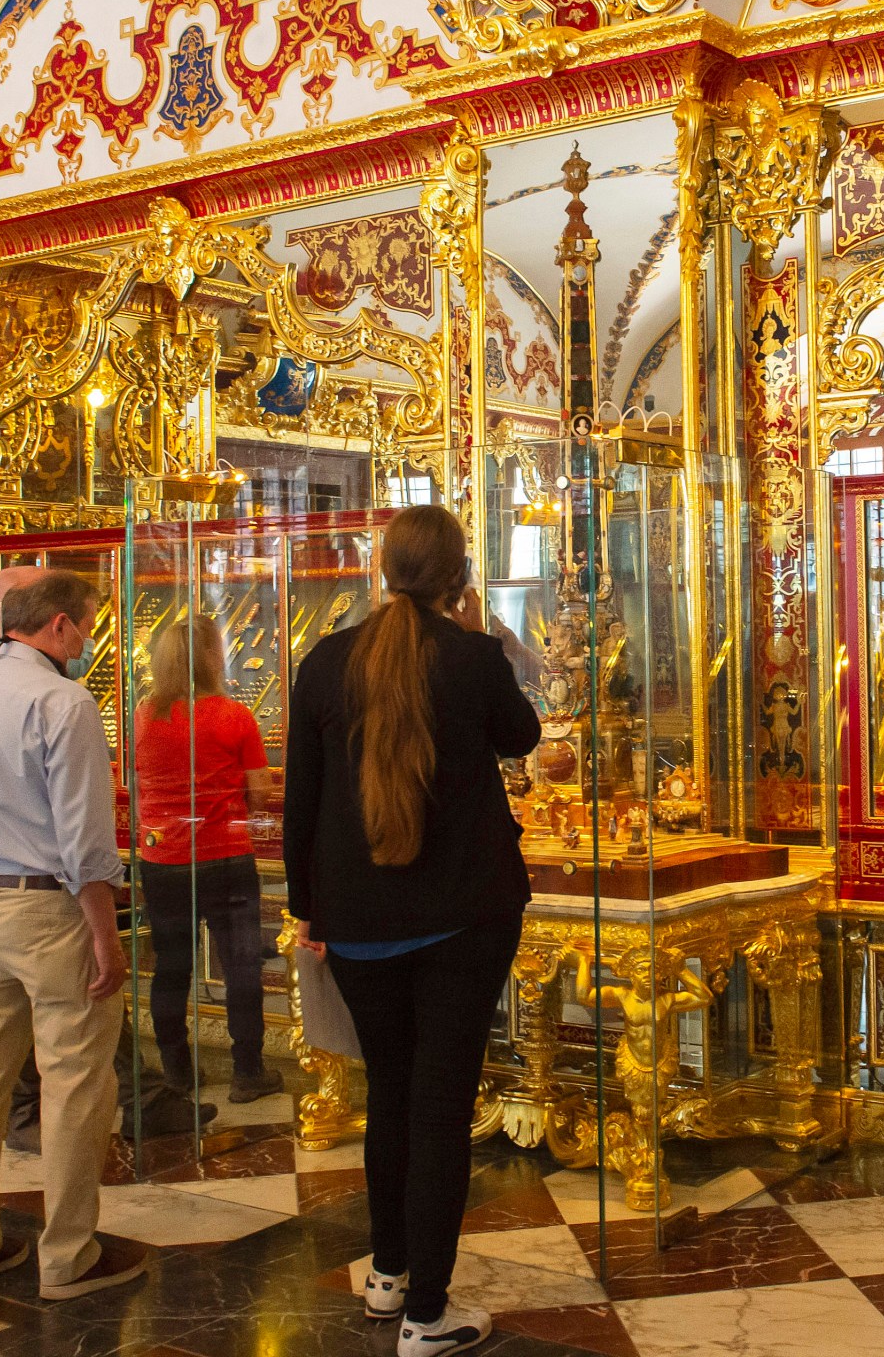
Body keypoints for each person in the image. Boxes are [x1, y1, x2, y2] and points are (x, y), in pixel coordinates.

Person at [285, 505, 539, 1357]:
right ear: (459, 578)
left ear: (382, 567)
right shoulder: (467, 660)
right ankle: (429, 1318)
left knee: (390, 1096)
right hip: (461, 918)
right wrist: (482, 637)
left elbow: (302, 805)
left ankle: (389, 1274)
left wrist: (306, 910)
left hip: (357, 924)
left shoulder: (325, 663)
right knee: (439, 1109)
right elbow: (524, 734)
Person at [0, 570, 146, 1302]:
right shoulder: (62, 700)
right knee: (78, 1081)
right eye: (84, 625)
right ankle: (69, 1254)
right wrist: (106, 934)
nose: (86, 639)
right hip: (50, 910)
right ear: (55, 625)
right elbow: (85, 839)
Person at [134, 616, 280, 1106]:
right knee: (241, 967)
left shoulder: (144, 713)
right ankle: (248, 1071)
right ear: (212, 657)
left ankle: (177, 1070)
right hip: (224, 854)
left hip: (162, 858)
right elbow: (259, 792)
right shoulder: (234, 715)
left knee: (172, 967)